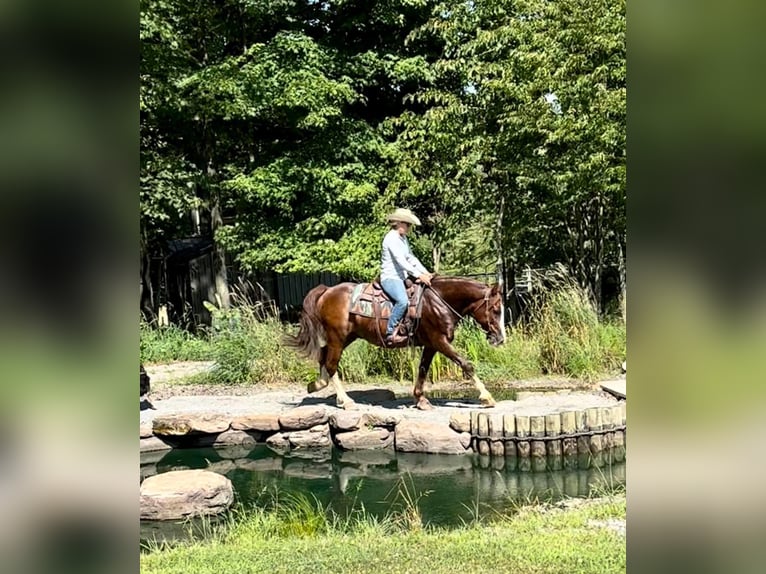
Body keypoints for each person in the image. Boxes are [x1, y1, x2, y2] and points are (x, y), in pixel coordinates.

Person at [380, 208, 433, 346]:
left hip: (402, 277)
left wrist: (426, 272)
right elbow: (401, 261)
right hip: (391, 278)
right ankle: (390, 332)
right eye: (407, 224)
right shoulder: (391, 238)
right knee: (403, 301)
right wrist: (419, 275)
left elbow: (411, 258)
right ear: (398, 223)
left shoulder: (402, 239)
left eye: (409, 225)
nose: (409, 228)